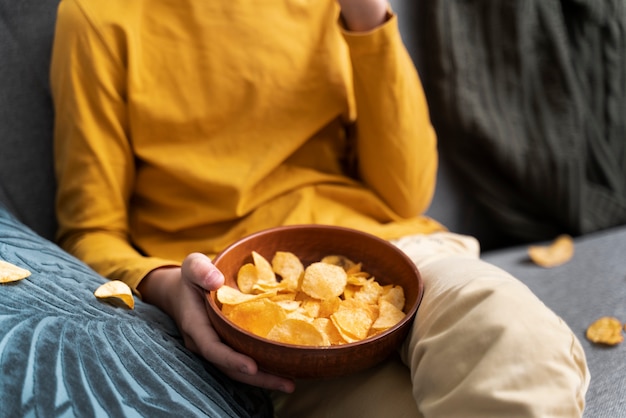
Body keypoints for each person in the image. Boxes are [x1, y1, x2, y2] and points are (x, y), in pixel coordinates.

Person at [49, 0, 590, 416]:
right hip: (256, 322)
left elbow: (405, 194)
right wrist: (164, 285)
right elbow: (89, 230)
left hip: (395, 252)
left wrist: (366, 16)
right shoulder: (98, 16)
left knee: (508, 332)